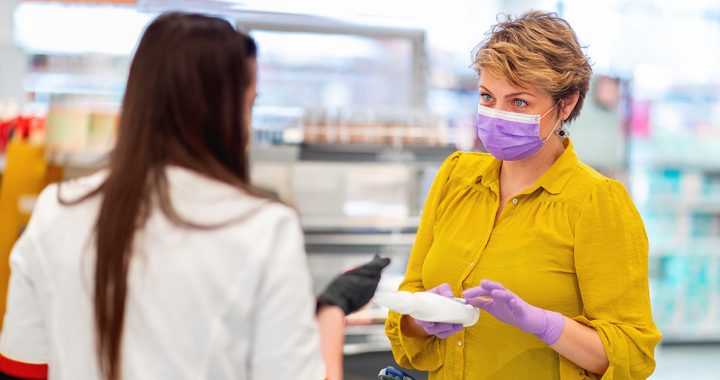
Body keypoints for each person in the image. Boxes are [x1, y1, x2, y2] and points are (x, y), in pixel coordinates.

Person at [0, 13, 388, 380]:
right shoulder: (263, 229)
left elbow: (22, 367)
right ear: (226, 110)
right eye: (250, 105)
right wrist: (332, 308)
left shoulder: (57, 210)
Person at [385, 11, 661, 379]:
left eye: (519, 103)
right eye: (487, 96)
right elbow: (410, 298)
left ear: (565, 105)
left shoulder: (597, 202)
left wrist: (545, 325)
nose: (497, 115)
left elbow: (632, 355)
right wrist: (423, 319)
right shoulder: (456, 176)